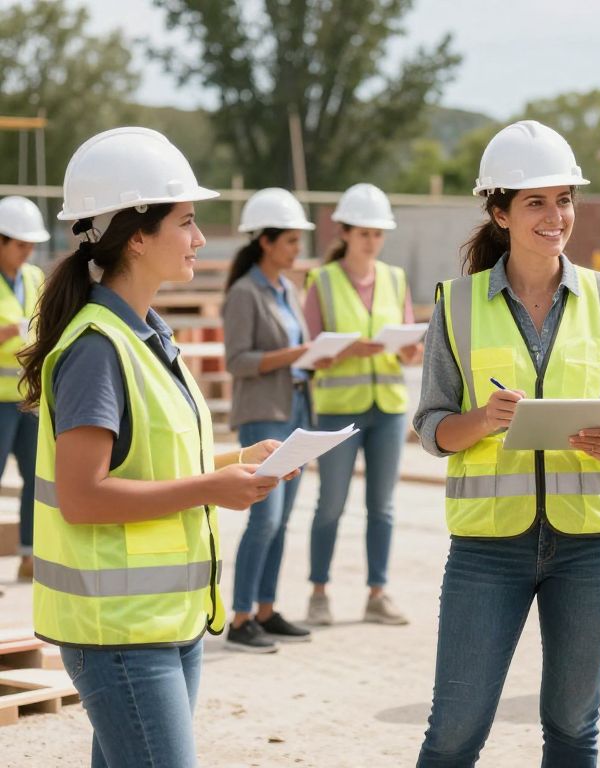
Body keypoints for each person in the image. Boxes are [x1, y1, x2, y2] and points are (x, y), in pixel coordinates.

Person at [24, 127, 287, 768]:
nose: (200, 240)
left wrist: (232, 465)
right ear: (136, 235)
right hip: (118, 630)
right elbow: (84, 498)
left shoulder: (145, 336)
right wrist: (210, 489)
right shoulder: (96, 350)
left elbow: (152, 463)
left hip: (164, 620)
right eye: (188, 222)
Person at [413, 120, 600, 767]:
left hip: (592, 546)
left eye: (565, 199)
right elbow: (432, 425)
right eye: (536, 202)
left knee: (574, 727)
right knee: (455, 730)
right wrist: (483, 419)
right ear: (500, 212)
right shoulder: (457, 304)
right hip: (488, 549)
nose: (556, 216)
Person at [303, 182, 421, 626]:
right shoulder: (323, 281)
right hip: (337, 407)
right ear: (345, 232)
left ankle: (378, 592)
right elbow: (309, 349)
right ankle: (319, 591)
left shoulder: (395, 279)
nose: (372, 240)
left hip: (387, 406)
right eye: (364, 232)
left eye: (378, 233)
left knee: (383, 506)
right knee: (331, 503)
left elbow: (409, 345)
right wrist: (347, 351)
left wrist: (409, 349)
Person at [223, 187, 318, 652]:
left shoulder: (289, 290)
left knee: (282, 521)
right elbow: (238, 361)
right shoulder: (245, 293)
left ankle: (264, 608)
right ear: (266, 241)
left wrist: (315, 357)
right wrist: (296, 353)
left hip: (296, 407)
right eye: (291, 242)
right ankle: (240, 617)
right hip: (264, 414)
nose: (298, 250)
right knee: (264, 519)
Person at [0, 196, 48, 582]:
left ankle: (30, 555)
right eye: (20, 244)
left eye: (31, 245)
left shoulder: (34, 277)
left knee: (37, 477)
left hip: (29, 399)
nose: (27, 251)